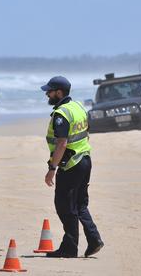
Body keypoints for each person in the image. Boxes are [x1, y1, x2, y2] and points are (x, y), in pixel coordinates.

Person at [41, 76, 103, 258]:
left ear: (59, 93)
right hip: (85, 160)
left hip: (71, 164)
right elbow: (86, 133)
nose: (47, 94)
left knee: (64, 205)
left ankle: (69, 247)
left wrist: (52, 169)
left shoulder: (61, 114)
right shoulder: (77, 107)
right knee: (80, 204)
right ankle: (94, 239)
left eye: (49, 91)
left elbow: (62, 143)